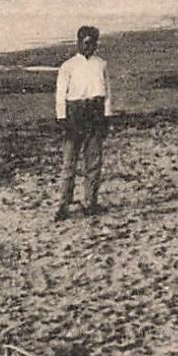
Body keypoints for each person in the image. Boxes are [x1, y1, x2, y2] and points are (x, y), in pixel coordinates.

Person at [53, 26, 112, 221]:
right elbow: (60, 95)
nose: (90, 47)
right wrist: (62, 118)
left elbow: (107, 94)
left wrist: (107, 115)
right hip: (74, 115)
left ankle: (90, 202)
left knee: (94, 162)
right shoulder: (67, 66)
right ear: (78, 43)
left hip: (95, 114)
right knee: (69, 164)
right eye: (86, 43)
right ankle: (63, 205)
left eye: (93, 43)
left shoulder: (101, 64)